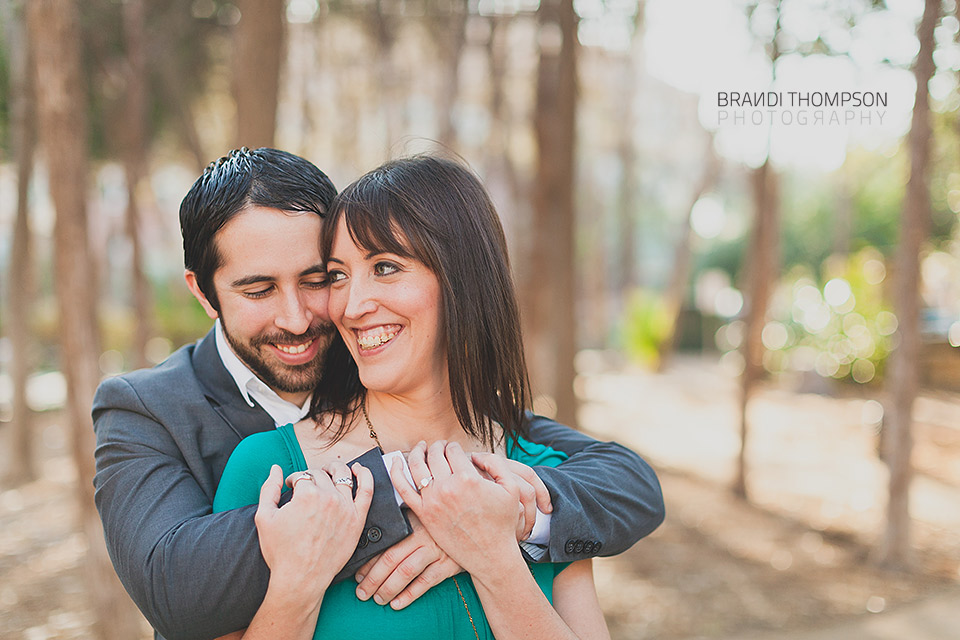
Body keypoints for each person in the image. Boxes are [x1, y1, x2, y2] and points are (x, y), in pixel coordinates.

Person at [92, 148, 664, 640]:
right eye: (259, 289)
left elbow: (622, 479)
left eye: (320, 278)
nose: (304, 317)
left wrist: (502, 530)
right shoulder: (166, 419)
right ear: (205, 293)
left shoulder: (516, 476)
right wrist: (419, 501)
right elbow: (174, 590)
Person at [212, 155, 613, 639]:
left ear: (462, 281)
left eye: (385, 267)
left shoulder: (539, 481)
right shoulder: (272, 472)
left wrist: (495, 561)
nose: (352, 306)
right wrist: (298, 585)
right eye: (337, 275)